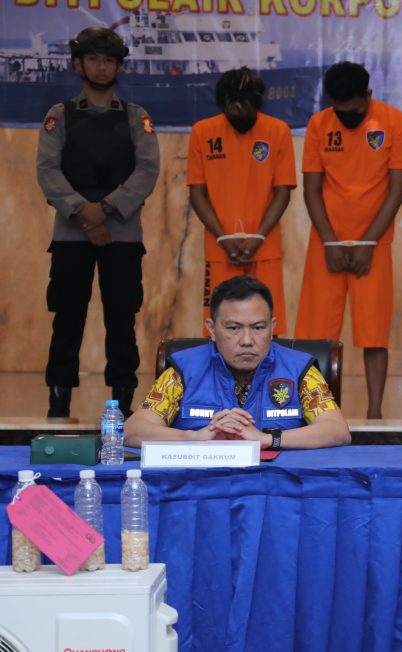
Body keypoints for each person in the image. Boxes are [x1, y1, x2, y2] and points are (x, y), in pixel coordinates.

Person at [36, 26, 160, 418]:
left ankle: (122, 409)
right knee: (67, 319)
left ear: (118, 67)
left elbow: (147, 171)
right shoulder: (60, 116)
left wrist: (103, 209)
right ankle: (59, 407)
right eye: (93, 59)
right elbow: (48, 171)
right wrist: (85, 215)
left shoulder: (136, 118)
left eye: (108, 60)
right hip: (72, 234)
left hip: (121, 234)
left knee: (122, 320)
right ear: (79, 64)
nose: (101, 67)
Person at [295, 61, 402, 419]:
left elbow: (397, 190)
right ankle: (319, 414)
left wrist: (368, 242)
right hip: (326, 246)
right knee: (317, 337)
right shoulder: (319, 125)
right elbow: (312, 190)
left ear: (369, 96)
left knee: (374, 334)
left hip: (374, 246)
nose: (347, 117)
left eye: (355, 111)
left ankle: (374, 414)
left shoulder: (396, 123)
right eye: (340, 110)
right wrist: (331, 242)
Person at [125, 275, 351, 449]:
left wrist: (266, 439)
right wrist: (195, 436)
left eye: (258, 328)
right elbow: (132, 430)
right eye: (233, 328)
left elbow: (337, 430)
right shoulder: (184, 371)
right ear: (212, 329)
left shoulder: (299, 370)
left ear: (272, 328)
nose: (246, 340)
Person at [187, 67, 295, 333]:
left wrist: (258, 236)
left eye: (243, 106)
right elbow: (197, 193)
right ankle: (221, 377)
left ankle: (268, 377)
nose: (237, 113)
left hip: (264, 248)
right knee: (218, 327)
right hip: (219, 248)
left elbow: (283, 192)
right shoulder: (202, 131)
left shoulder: (278, 131)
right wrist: (223, 237)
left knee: (267, 325)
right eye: (230, 106)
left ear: (257, 102)